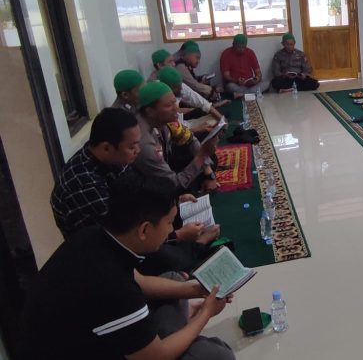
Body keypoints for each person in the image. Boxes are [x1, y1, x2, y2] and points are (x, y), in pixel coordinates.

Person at [21, 169, 236, 360]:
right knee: (216, 355)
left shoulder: (93, 236)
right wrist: (206, 312)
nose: (172, 230)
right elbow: (156, 357)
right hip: (84, 351)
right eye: (170, 223)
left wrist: (196, 290)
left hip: (78, 336)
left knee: (173, 280)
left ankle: (178, 323)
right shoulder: (112, 286)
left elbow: (140, 281)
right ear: (144, 230)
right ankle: (181, 327)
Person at [50, 108, 140, 238]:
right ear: (106, 148)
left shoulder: (110, 156)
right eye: (131, 147)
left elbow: (137, 188)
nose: (138, 150)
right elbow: (124, 231)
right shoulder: (84, 185)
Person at [133, 81, 219, 194]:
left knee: (209, 159)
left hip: (167, 162)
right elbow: (172, 185)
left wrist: (209, 174)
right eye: (169, 106)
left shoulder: (164, 119)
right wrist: (201, 156)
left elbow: (190, 139)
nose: (176, 109)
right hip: (155, 186)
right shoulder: (144, 143)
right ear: (150, 111)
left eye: (175, 103)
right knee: (188, 184)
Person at [150, 49, 231, 108]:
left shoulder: (169, 76)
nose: (174, 64)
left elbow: (189, 93)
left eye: (173, 61)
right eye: (170, 62)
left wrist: (209, 106)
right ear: (160, 65)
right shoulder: (154, 85)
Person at [157, 66, 223, 128]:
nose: (180, 88)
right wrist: (199, 129)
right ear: (167, 87)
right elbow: (174, 131)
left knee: (216, 118)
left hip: (183, 125)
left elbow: (203, 103)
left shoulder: (180, 87)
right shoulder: (160, 101)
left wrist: (222, 120)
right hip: (176, 130)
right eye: (176, 87)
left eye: (180, 85)